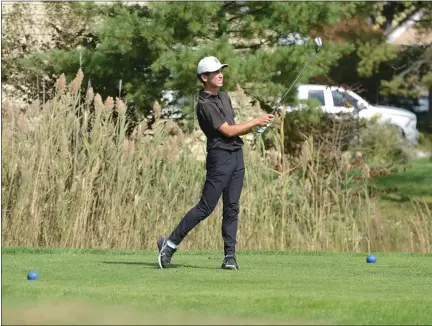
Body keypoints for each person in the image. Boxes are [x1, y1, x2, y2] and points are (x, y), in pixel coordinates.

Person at [157, 56, 274, 270]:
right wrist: (255, 121)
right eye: (215, 72)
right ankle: (170, 244)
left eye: (221, 71)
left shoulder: (225, 97)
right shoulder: (204, 104)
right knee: (206, 207)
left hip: (236, 155)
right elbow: (227, 131)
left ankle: (229, 257)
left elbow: (233, 127)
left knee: (232, 207)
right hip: (219, 158)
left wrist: (254, 128)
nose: (220, 75)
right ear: (204, 77)